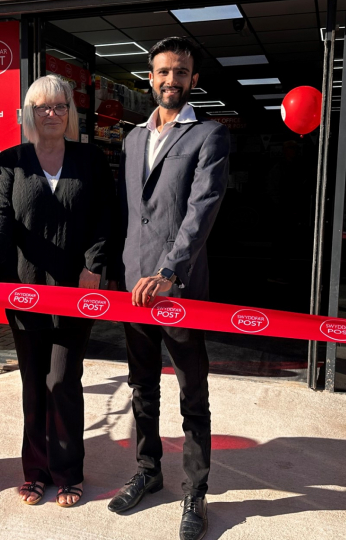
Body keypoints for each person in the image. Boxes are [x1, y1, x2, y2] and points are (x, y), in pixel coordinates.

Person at [0, 75, 115, 508]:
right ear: (29, 115)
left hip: (75, 290)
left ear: (69, 112)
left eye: (58, 106)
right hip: (25, 290)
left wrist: (95, 265)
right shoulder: (12, 161)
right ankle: (35, 470)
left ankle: (68, 471)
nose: (50, 114)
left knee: (64, 380)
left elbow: (106, 216)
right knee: (34, 382)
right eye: (41, 107)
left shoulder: (90, 159)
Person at [107, 37, 229, 540]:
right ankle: (148, 471)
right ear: (149, 76)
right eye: (162, 72)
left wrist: (170, 272)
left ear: (193, 79)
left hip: (178, 289)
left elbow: (201, 213)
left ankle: (194, 491)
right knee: (142, 388)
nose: (170, 81)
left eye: (180, 72)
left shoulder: (210, 135)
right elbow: (130, 214)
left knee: (191, 392)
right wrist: (119, 271)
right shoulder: (133, 138)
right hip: (134, 288)